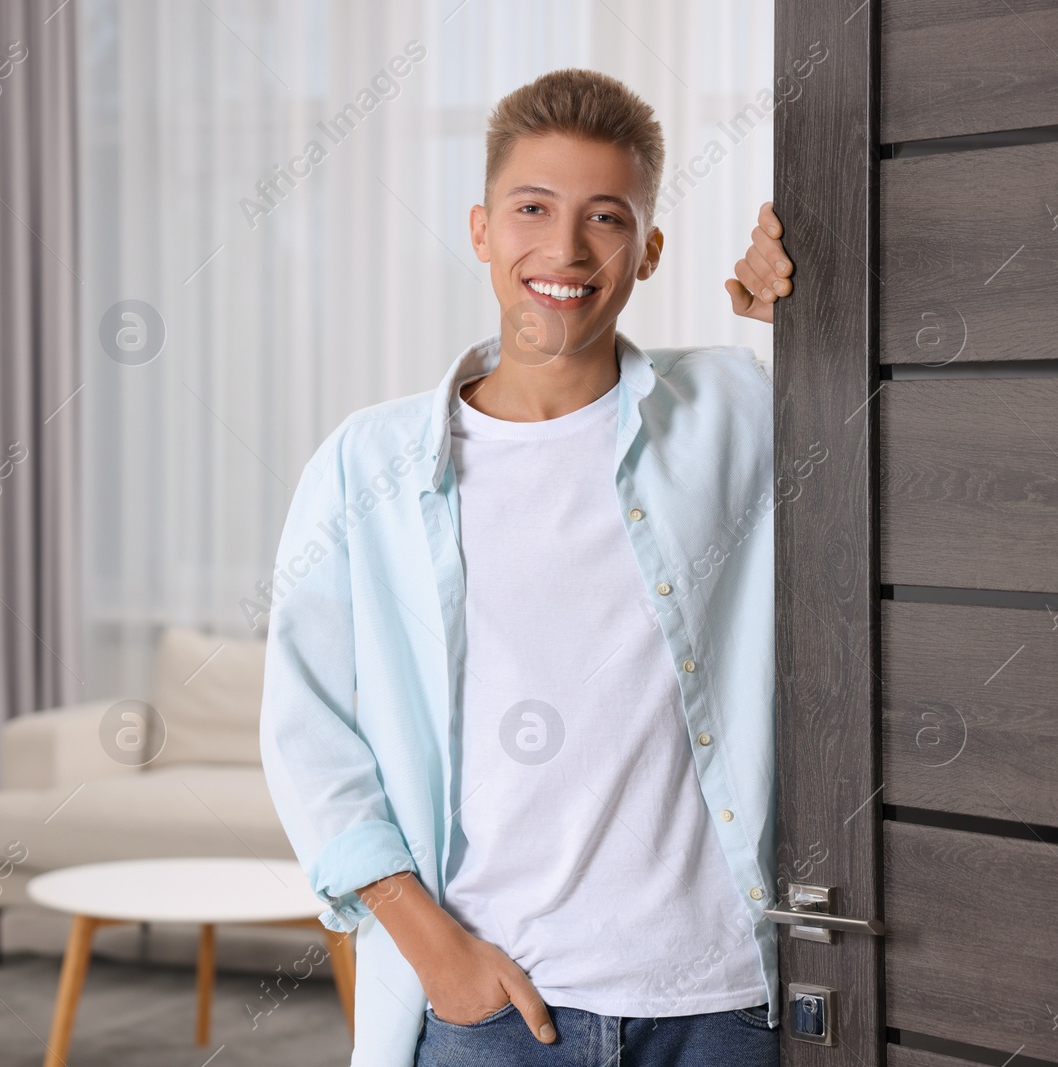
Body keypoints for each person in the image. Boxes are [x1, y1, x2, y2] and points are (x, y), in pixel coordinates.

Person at [259, 67, 794, 1067]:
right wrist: (436, 953)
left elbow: (893, 452)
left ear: (648, 250)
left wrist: (800, 309)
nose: (563, 248)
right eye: (532, 208)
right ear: (479, 228)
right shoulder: (365, 465)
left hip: (718, 1004)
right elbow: (307, 734)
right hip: (490, 1008)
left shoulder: (735, 407)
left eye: (605, 216)